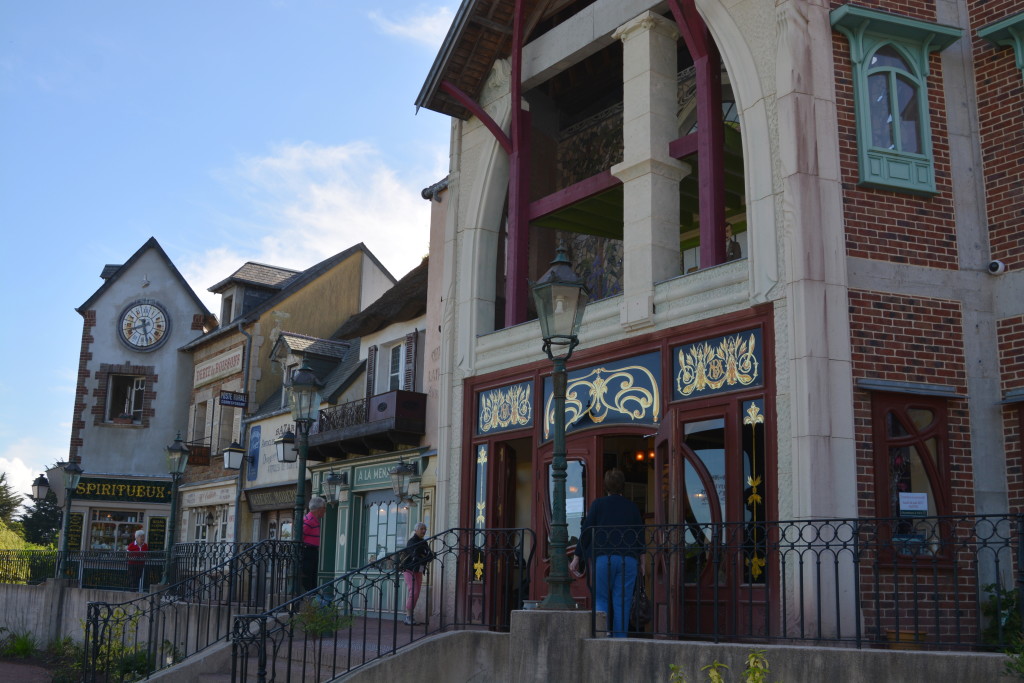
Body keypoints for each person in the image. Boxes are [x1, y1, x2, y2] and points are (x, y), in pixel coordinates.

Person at [570, 468, 645, 637]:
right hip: (628, 559)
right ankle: (620, 639)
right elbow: (639, 535)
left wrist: (577, 557)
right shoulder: (632, 507)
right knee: (622, 602)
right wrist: (643, 562)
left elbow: (586, 531)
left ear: (606, 487)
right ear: (623, 486)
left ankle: (601, 635)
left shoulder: (598, 504)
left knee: (601, 599)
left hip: (603, 558)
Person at [401, 522, 434, 625]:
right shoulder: (412, 541)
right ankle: (408, 616)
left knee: (416, 593)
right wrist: (424, 555)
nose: (424, 531)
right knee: (414, 591)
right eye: (421, 529)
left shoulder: (424, 542)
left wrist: (424, 555)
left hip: (419, 569)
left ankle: (410, 616)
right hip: (409, 569)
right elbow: (415, 555)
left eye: (425, 529)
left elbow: (430, 556)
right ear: (416, 530)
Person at [302, 496, 327, 592]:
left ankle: (312, 598)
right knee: (309, 578)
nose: (325, 511)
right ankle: (310, 599)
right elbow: (300, 537)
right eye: (324, 508)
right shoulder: (309, 521)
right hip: (308, 552)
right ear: (319, 509)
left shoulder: (313, 520)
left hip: (312, 551)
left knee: (312, 577)